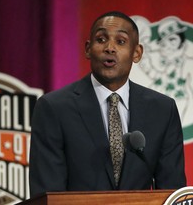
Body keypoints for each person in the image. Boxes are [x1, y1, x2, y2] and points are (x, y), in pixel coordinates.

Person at [29, 11, 186, 197]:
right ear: (88, 49)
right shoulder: (53, 108)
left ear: (137, 53)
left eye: (121, 42)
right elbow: (48, 195)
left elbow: (173, 193)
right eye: (101, 39)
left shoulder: (162, 110)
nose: (110, 48)